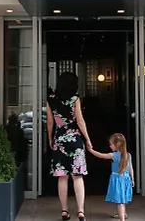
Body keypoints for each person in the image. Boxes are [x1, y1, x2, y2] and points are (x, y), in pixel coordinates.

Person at [47, 72, 92, 221]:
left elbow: (50, 122)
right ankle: (81, 211)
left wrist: (50, 139)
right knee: (77, 177)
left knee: (62, 177)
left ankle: (64, 211)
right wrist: (87, 139)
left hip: (59, 140)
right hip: (75, 140)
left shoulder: (51, 99)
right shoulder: (75, 99)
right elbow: (80, 121)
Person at [87, 133, 134, 221]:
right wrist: (133, 179)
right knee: (123, 198)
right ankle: (124, 213)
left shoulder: (113, 155)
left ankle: (122, 219)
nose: (110, 146)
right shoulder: (128, 155)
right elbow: (131, 168)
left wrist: (90, 150)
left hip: (117, 180)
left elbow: (100, 155)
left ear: (117, 145)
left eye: (111, 144)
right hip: (126, 179)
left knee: (119, 201)